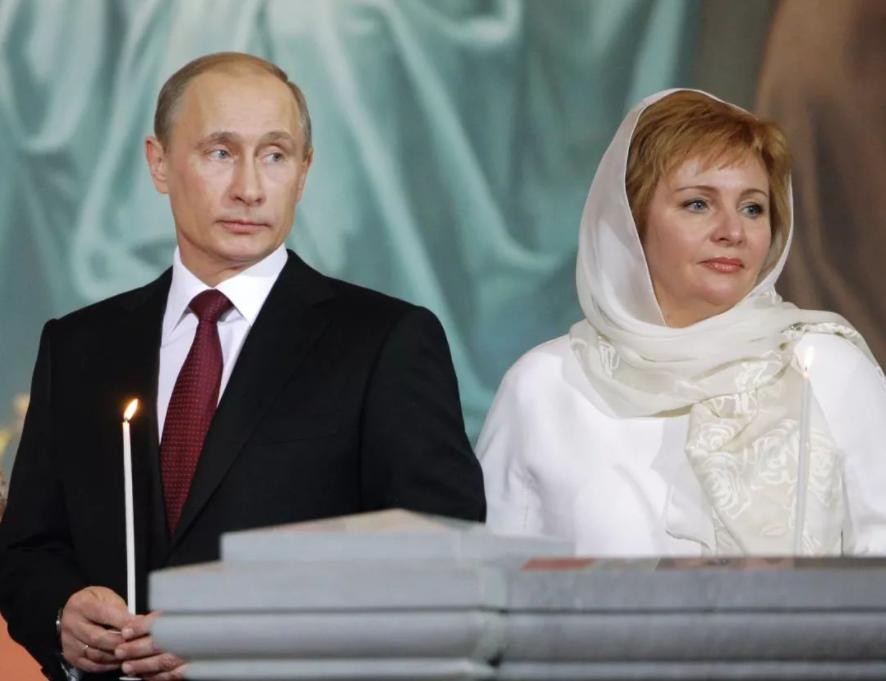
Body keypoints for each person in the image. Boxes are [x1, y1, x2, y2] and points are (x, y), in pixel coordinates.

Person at [0, 52, 485, 681]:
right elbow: (27, 549)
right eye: (221, 152)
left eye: (275, 155)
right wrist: (61, 615)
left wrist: (250, 636)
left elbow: (442, 560)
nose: (249, 188)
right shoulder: (79, 346)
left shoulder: (386, 341)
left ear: (304, 172)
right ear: (159, 163)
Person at [478, 89, 886, 559]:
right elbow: (489, 582)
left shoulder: (826, 368)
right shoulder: (546, 386)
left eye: (752, 207)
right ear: (631, 220)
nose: (732, 231)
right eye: (698, 204)